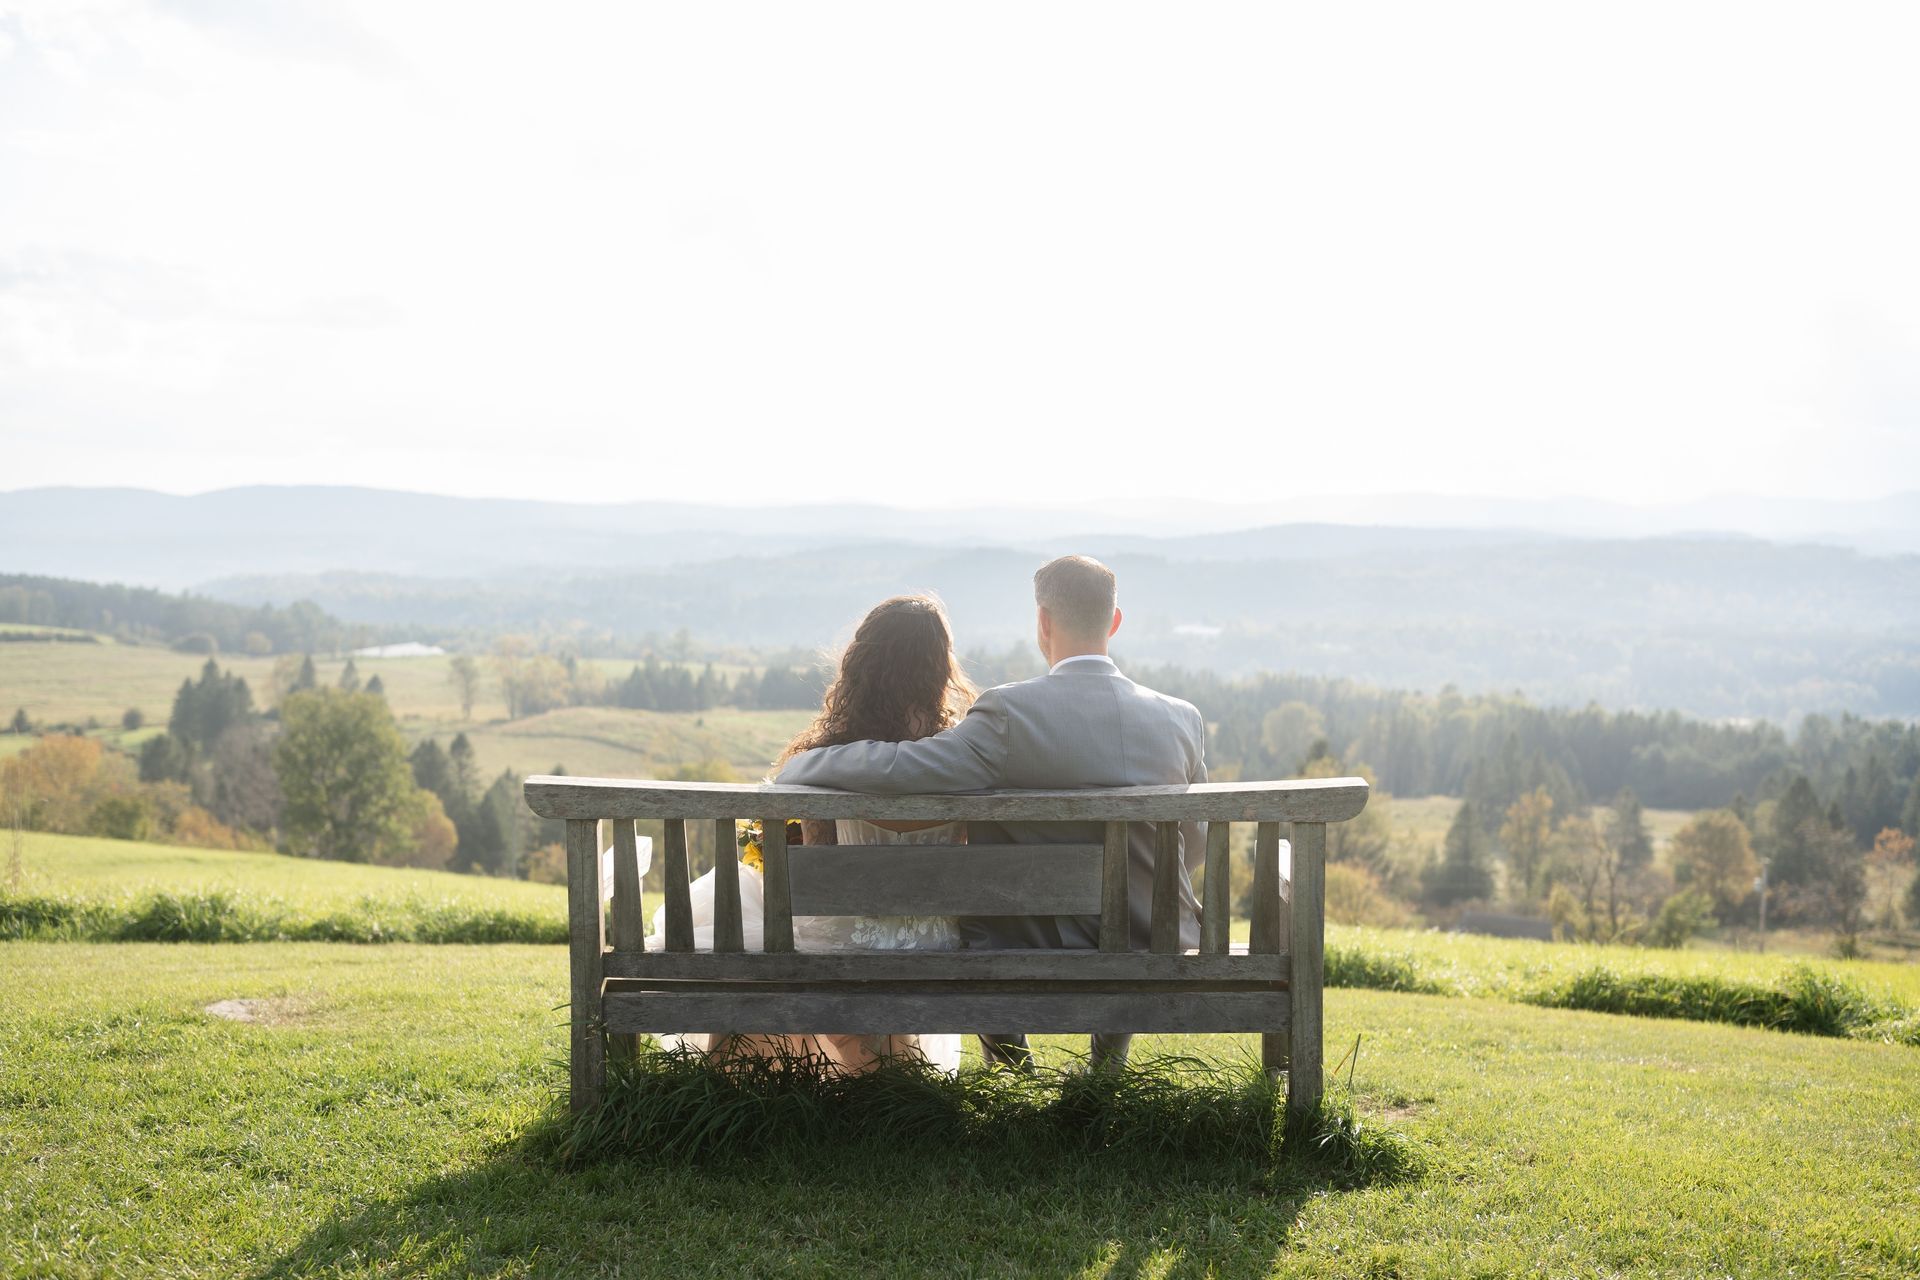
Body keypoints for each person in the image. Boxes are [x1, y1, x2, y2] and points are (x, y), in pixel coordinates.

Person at [777, 555, 1212, 1070]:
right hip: (1153, 933)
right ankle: (1104, 1072)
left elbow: (904, 767)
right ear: (1114, 621)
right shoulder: (1181, 719)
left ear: (1043, 623)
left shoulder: (1012, 714)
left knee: (984, 915)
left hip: (1031, 934)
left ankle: (1012, 1071)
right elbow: (1194, 841)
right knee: (1121, 904)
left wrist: (808, 762)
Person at [653, 593, 976, 1073]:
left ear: (861, 665)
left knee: (744, 913)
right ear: (941, 668)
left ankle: (744, 1077)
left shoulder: (830, 757)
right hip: (938, 937)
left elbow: (815, 881)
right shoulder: (963, 753)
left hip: (850, 933)